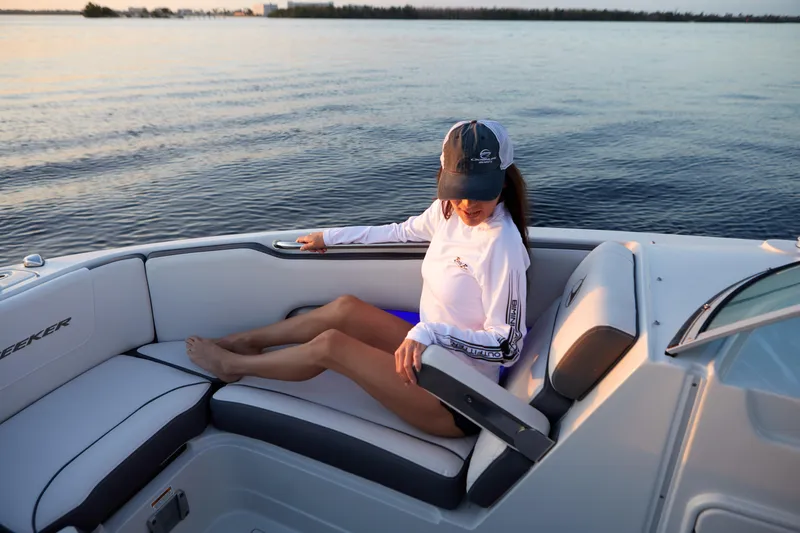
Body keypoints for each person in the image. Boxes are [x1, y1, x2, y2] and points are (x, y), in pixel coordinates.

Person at [186, 119, 530, 438]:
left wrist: (429, 332)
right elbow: (399, 232)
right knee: (345, 309)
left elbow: (508, 346)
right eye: (460, 188)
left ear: (503, 179)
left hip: (460, 400)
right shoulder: (446, 213)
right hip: (435, 358)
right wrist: (331, 237)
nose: (469, 203)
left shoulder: (501, 244)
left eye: (481, 190)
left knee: (331, 345)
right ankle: (245, 341)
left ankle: (233, 365)